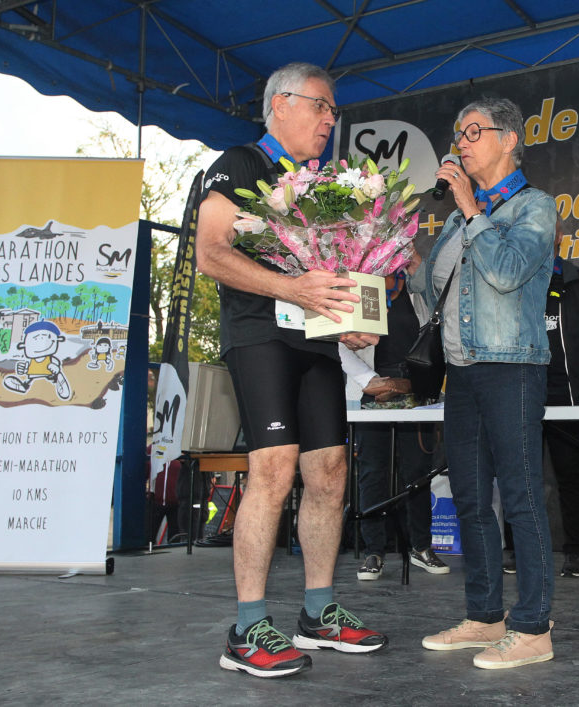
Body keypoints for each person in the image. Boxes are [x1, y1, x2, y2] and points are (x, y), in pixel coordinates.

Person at [196, 62, 386, 679]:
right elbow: (210, 252)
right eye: (322, 107)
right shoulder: (242, 162)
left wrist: (351, 316)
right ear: (280, 104)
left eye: (334, 111)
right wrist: (295, 289)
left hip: (315, 342)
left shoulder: (327, 184)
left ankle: (318, 611)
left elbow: (337, 272)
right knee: (273, 469)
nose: (331, 120)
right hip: (259, 337)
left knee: (330, 471)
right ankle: (247, 627)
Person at [410, 97, 557, 670]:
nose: (461, 143)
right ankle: (485, 615)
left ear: (509, 139)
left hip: (511, 367)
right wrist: (398, 256)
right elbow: (428, 290)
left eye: (474, 132)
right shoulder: (453, 218)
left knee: (520, 497)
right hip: (462, 373)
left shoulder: (535, 206)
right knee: (471, 498)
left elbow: (507, 270)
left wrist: (473, 210)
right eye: (457, 133)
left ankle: (533, 629)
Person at [503, 218, 579, 578]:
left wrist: (575, 361)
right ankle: (514, 549)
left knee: (571, 474)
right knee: (518, 474)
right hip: (522, 389)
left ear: (558, 237)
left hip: (567, 393)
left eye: (549, 231)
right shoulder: (513, 280)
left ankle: (576, 551)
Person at [338, 271, 450, 580]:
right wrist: (370, 382)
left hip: (414, 390)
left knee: (417, 472)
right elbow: (339, 345)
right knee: (373, 473)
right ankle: (375, 551)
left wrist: (405, 385)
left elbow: (436, 343)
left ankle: (421, 547)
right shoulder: (360, 292)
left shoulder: (418, 293)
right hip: (371, 392)